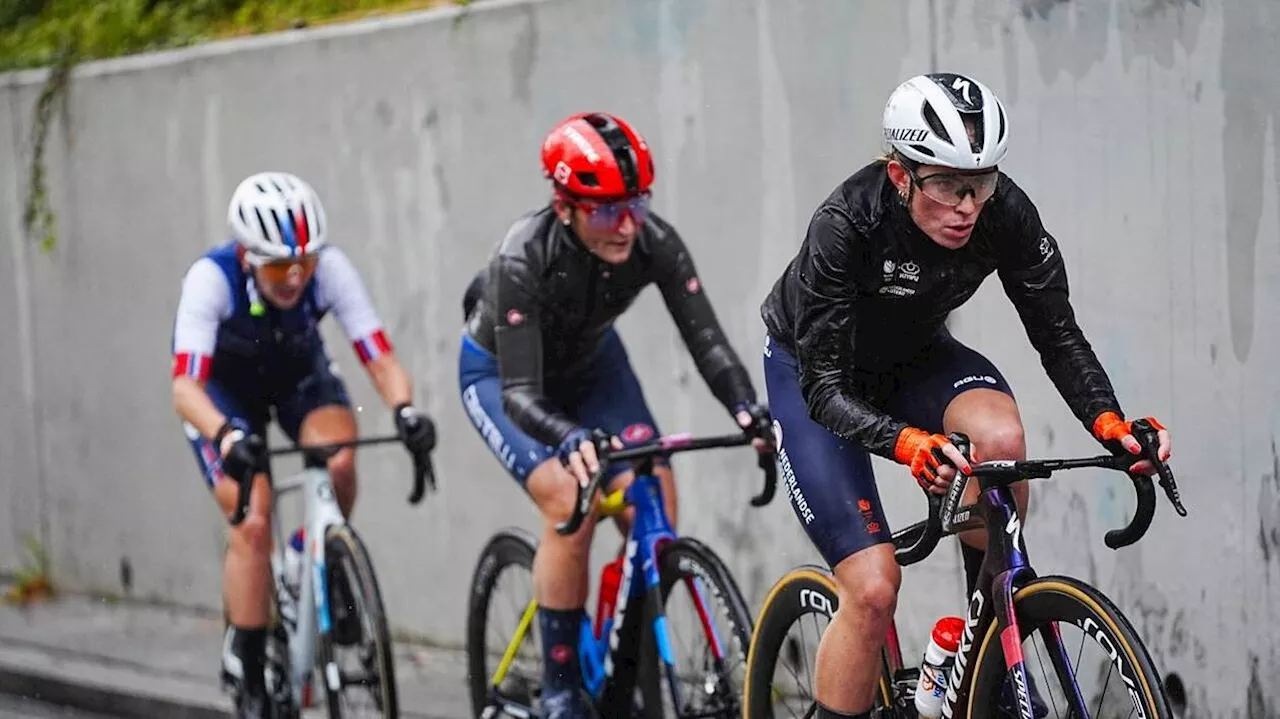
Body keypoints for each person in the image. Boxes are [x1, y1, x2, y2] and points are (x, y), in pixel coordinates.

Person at [757, 73, 1173, 718]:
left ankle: (992, 655)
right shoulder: (847, 222)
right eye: (949, 185)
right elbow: (825, 387)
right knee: (872, 590)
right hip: (816, 374)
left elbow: (1057, 332)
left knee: (1001, 441)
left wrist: (1109, 422)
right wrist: (905, 441)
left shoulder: (1003, 212)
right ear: (901, 176)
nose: (968, 206)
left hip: (915, 358)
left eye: (981, 183)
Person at [458, 111, 772, 718]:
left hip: (593, 366)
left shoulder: (652, 238)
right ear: (565, 205)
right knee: (570, 500)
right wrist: (568, 435)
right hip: (505, 377)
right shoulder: (523, 258)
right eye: (606, 210)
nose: (627, 223)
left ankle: (623, 653)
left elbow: (706, 341)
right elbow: (522, 394)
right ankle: (559, 691)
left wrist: (745, 409)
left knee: (655, 500)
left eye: (637, 203)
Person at [169, 171, 436, 718]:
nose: (294, 277)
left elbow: (378, 356)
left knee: (339, 454)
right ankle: (248, 658)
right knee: (252, 514)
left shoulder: (330, 268)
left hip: (297, 375)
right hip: (224, 394)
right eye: (277, 266)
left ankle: (311, 558)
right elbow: (184, 387)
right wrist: (226, 435)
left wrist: (406, 410)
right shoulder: (210, 280)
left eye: (304, 263)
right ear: (246, 256)